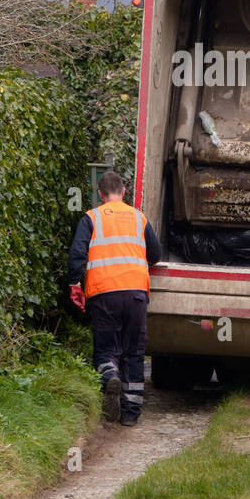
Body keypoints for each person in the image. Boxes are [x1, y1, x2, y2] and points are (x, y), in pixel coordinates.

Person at [68, 171, 161, 426]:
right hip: (136, 294)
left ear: (100, 195)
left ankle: (109, 373)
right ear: (123, 192)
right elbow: (156, 254)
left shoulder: (91, 217)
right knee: (134, 351)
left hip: (102, 294)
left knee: (106, 348)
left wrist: (74, 283)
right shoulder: (138, 217)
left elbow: (77, 254)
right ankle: (130, 413)